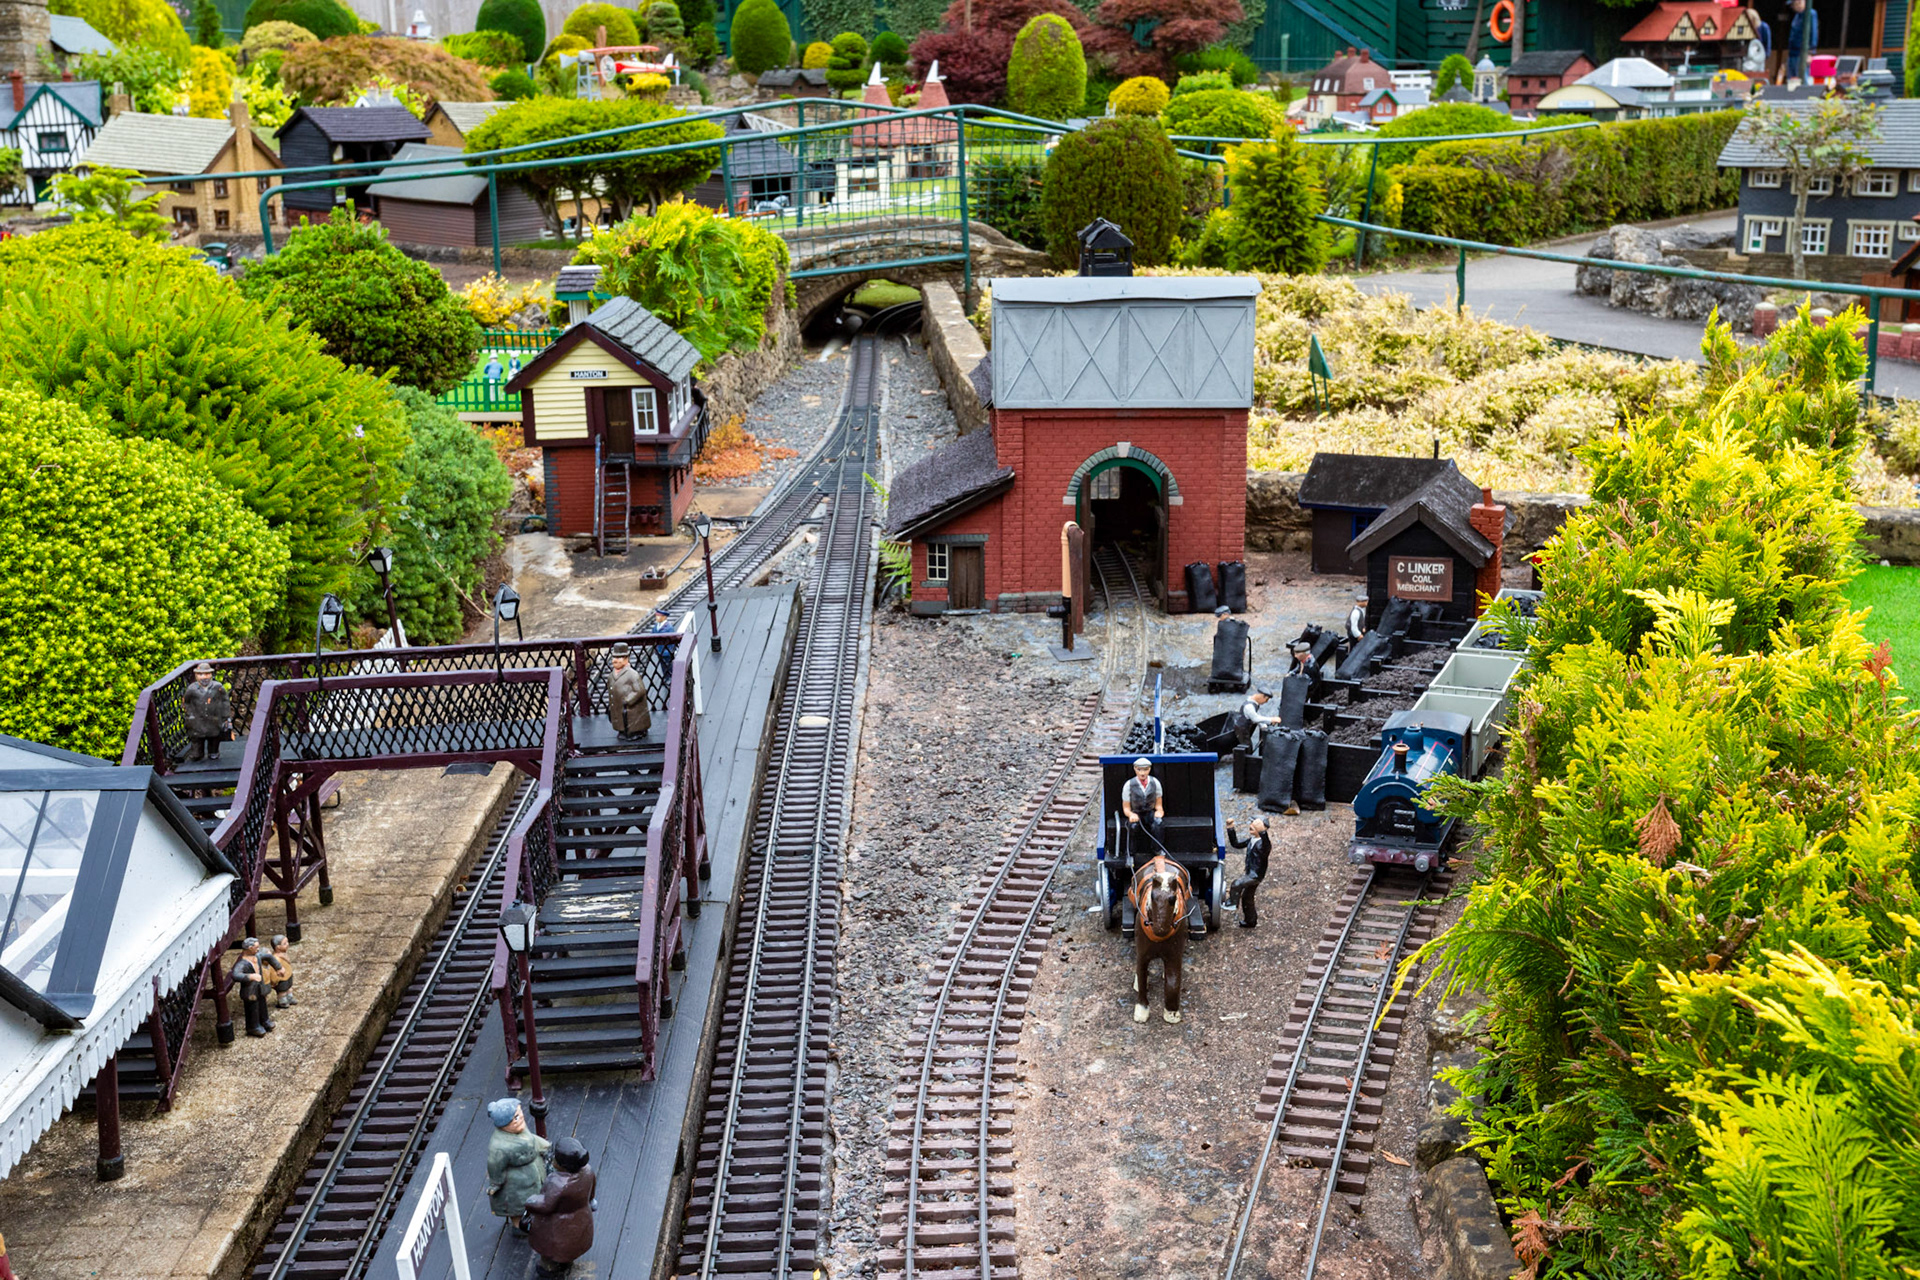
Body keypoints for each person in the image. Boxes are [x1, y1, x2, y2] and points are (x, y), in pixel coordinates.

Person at [525, 1136, 597, 1275]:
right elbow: (592, 1193)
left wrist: (530, 1201)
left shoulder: (557, 1183)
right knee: (573, 1245)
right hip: (581, 1219)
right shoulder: (588, 1171)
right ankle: (567, 1261)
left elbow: (546, 1205)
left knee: (551, 1248)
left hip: (557, 1225)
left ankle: (548, 1267)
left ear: (562, 1164)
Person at [486, 1098, 553, 1234]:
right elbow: (495, 1165)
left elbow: (532, 1139)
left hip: (533, 1171)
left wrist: (544, 1146)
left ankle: (537, 1219)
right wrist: (496, 1183)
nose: (521, 1117)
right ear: (504, 1123)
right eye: (516, 1117)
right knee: (519, 1206)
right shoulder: (498, 1146)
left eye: (520, 1113)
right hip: (516, 1182)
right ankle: (519, 1227)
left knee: (537, 1197)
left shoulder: (521, 1130)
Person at [182, 661, 231, 763]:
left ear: (211, 674)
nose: (204, 677)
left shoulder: (218, 687)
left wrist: (225, 716)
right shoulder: (192, 689)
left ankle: (213, 752)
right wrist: (189, 714)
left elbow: (225, 701)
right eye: (200, 674)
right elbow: (186, 702)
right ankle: (197, 753)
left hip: (214, 718)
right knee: (197, 738)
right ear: (196, 676)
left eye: (207, 674)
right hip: (198, 719)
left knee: (214, 737)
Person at [1225, 817, 1271, 927]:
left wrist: (1263, 833)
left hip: (1255, 875)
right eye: (1252, 823)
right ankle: (1250, 921)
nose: (1252, 825)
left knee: (1237, 884)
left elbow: (1266, 846)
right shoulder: (1251, 840)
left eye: (1257, 825)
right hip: (1250, 873)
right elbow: (1236, 844)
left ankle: (1232, 903)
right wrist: (1230, 829)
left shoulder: (1263, 844)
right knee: (1247, 897)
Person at [607, 642, 650, 742]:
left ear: (626, 659)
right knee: (620, 719)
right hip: (618, 705)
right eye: (614, 658)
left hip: (630, 707)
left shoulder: (632, 675)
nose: (615, 660)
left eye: (619, 657)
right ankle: (622, 731)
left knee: (632, 720)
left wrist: (628, 700)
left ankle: (636, 732)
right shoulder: (611, 675)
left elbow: (640, 690)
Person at [1121, 757, 1165, 850]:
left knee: (1158, 823)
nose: (1142, 773)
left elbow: (1158, 803)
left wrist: (1159, 811)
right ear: (1135, 769)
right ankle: (1130, 853)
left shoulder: (1155, 783)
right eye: (1139, 769)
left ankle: (1157, 850)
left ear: (1149, 769)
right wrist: (1130, 814)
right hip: (1136, 812)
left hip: (1149, 812)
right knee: (1132, 827)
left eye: (1145, 770)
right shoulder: (1129, 785)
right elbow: (1126, 808)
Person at [233, 937, 272, 1037]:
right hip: (250, 990)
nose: (258, 949)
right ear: (250, 948)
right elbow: (235, 975)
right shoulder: (242, 963)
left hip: (260, 988)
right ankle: (253, 1027)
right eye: (256, 947)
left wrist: (279, 967)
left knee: (263, 1004)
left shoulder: (257, 956)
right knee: (252, 1008)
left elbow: (268, 957)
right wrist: (250, 976)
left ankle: (265, 1021)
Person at [1234, 688, 1281, 753]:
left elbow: (1257, 714)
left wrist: (1263, 726)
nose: (1266, 702)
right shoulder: (1249, 706)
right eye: (1266, 700)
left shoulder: (1254, 703)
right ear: (1262, 696)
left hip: (1247, 727)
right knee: (1247, 747)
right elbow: (1255, 718)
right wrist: (1271, 719)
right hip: (1242, 729)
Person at [260, 933, 295, 1008]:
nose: (287, 944)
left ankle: (290, 998)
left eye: (287, 942)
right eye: (285, 943)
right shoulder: (275, 959)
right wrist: (275, 980)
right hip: (281, 979)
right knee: (282, 991)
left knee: (289, 987)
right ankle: (283, 1001)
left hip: (288, 975)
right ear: (278, 947)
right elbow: (273, 971)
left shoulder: (284, 955)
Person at [1786, 0, 1818, 82]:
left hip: (1802, 53)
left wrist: (1810, 53)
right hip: (1793, 53)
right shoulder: (1797, 16)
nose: (1793, 7)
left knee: (1803, 78)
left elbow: (1813, 33)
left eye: (1794, 4)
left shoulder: (1810, 14)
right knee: (1792, 80)